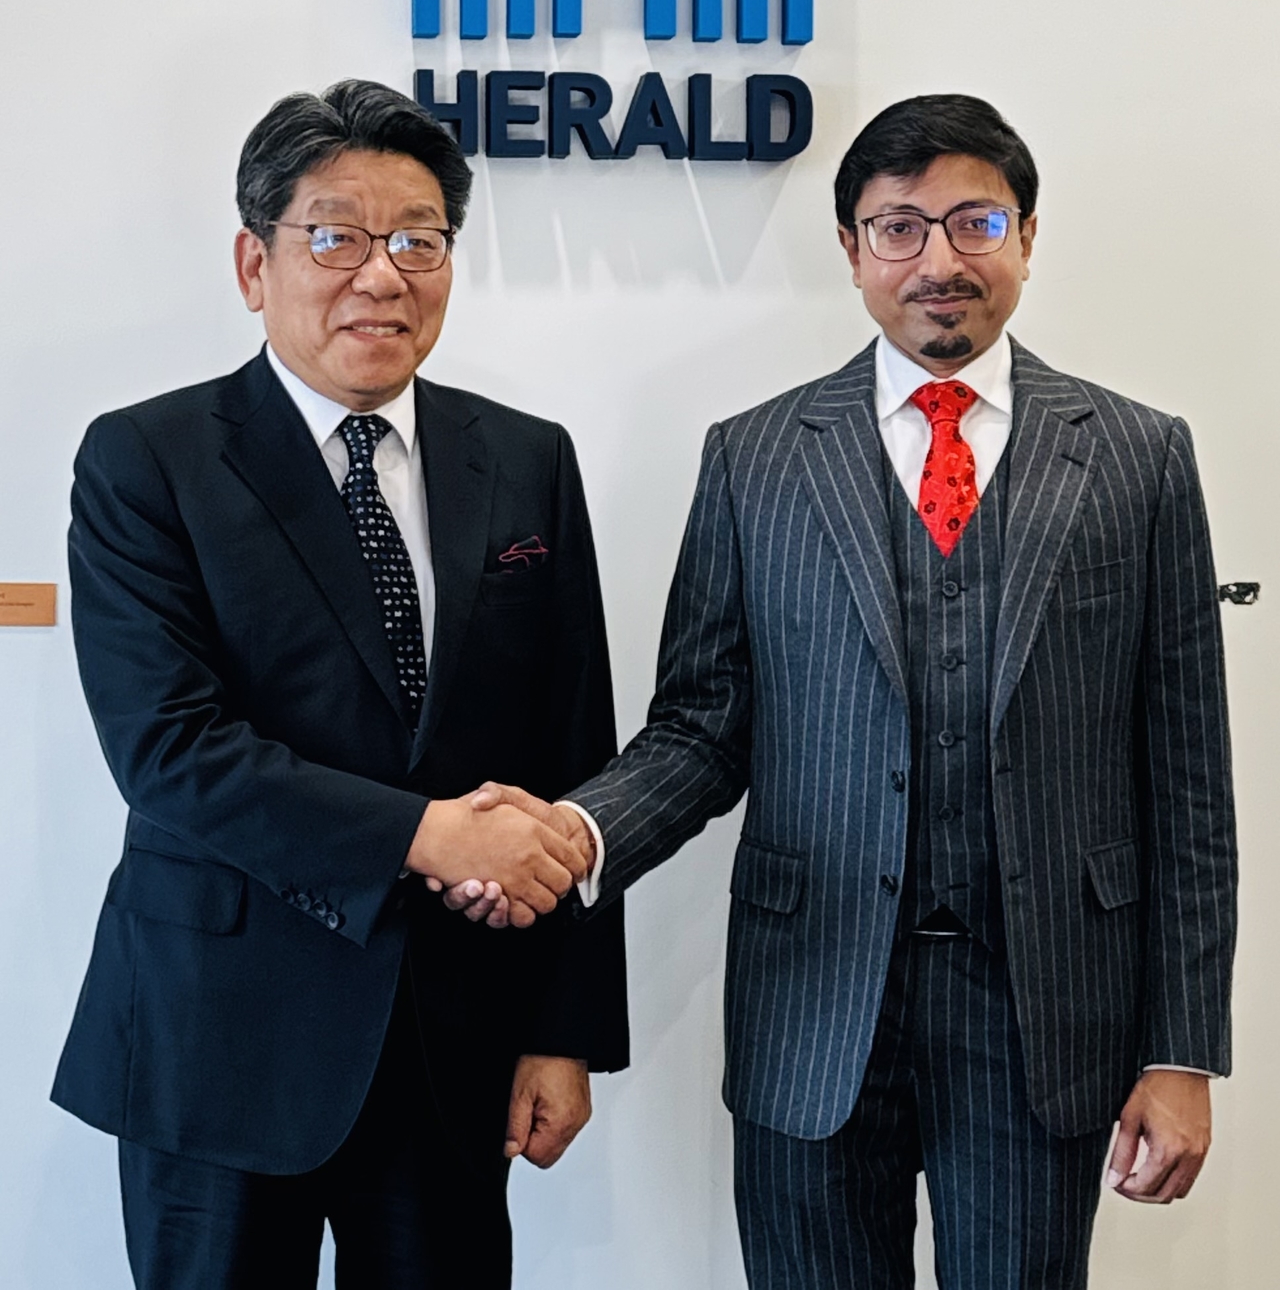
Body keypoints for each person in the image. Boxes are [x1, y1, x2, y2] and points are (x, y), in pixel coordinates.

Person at [453, 95, 1237, 1288]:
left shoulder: (1138, 457)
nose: (938, 260)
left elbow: (1186, 783)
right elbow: (700, 729)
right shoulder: (755, 456)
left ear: (1026, 237)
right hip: (811, 1002)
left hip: (1046, 1017)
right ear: (851, 249)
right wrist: (574, 833)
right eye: (897, 227)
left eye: (975, 222)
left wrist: (1180, 1051)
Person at [51, 79, 627, 1290]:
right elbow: (169, 752)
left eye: (418, 240)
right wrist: (428, 834)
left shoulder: (524, 458)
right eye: (335, 237)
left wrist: (563, 1034)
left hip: (453, 1040)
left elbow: (574, 752)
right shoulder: (146, 459)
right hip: (219, 1035)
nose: (382, 275)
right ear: (253, 265)